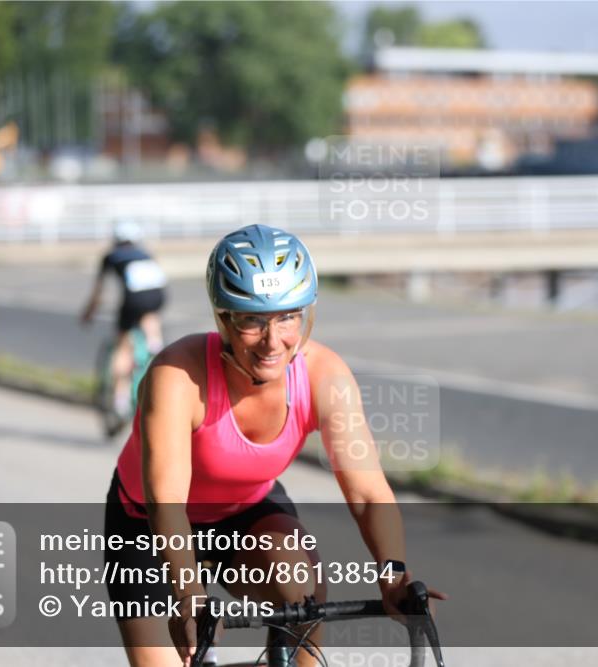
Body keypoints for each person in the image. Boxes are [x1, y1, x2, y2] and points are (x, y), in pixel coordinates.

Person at [104, 224, 445, 667]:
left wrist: (393, 575)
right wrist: (189, 592)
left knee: (301, 589)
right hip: (148, 527)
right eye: (251, 320)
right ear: (223, 319)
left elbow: (366, 493)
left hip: (244, 514)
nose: (272, 341)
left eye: (287, 317)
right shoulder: (176, 374)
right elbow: (166, 501)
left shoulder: (325, 376)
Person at [81, 219, 168, 418]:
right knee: (149, 314)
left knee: (123, 346)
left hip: (133, 299)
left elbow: (98, 292)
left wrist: (89, 313)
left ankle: (119, 398)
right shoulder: (146, 254)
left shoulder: (111, 256)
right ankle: (155, 346)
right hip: (158, 295)